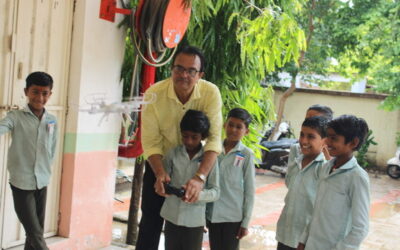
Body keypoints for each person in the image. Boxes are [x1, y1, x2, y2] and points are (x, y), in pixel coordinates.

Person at [137, 45, 223, 249]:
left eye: (191, 70)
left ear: (200, 74)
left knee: (185, 231)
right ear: (171, 69)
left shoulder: (210, 93)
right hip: (160, 166)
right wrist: (159, 173)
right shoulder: (153, 95)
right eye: (178, 68)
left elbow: (214, 139)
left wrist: (200, 177)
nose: (184, 75)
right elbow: (150, 143)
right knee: (150, 223)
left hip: (195, 168)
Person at [0, 71, 57, 250]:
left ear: (50, 94)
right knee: (35, 233)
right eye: (35, 92)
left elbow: (52, 149)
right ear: (26, 91)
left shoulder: (52, 120)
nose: (39, 97)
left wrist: (47, 170)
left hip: (42, 181)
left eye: (44, 93)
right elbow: (3, 127)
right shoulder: (15, 117)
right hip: (21, 183)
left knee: (34, 232)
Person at [297, 115, 370, 250]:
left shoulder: (357, 177)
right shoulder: (326, 168)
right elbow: (316, 210)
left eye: (334, 138)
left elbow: (361, 228)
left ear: (353, 142)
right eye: (328, 136)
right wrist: (303, 239)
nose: (327, 142)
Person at [161, 109, 219, 250]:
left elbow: (216, 192)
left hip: (194, 222)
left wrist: (197, 194)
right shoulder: (173, 154)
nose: (189, 141)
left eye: (194, 137)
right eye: (185, 136)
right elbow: (163, 179)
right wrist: (166, 187)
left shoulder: (209, 159)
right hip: (171, 217)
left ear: (203, 136)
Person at [275, 116, 329, 250]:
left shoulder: (324, 168)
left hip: (305, 240)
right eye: (302, 135)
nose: (304, 141)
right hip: (285, 233)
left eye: (311, 136)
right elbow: (290, 187)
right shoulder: (296, 162)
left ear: (324, 141)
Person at [207, 108, 255, 250]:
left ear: (246, 131)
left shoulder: (246, 154)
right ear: (224, 125)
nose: (233, 129)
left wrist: (245, 222)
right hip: (213, 214)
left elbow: (250, 190)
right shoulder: (213, 150)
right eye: (231, 124)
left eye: (239, 127)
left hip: (233, 217)